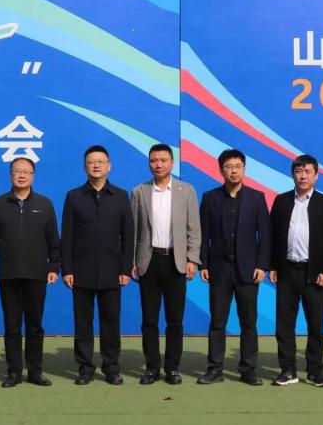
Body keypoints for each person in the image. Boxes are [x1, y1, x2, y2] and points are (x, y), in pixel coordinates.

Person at [0, 157, 60, 388]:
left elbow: (53, 240)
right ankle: (13, 372)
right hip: (9, 274)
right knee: (12, 326)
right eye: (17, 171)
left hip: (37, 274)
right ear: (10, 175)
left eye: (26, 172)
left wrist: (54, 267)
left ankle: (35, 372)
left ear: (33, 176)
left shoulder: (45, 205)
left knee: (35, 326)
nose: (22, 175)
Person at [61, 145, 134, 385]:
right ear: (85, 167)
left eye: (101, 161)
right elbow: (67, 235)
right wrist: (67, 269)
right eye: (91, 162)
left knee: (111, 322)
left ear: (109, 166)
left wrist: (125, 269)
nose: (96, 165)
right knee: (83, 323)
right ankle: (85, 368)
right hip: (81, 270)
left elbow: (128, 235)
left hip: (112, 270)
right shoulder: (74, 196)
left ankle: (111, 367)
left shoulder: (121, 196)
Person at [197, 149, 271, 385]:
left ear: (244, 169)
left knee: (248, 323)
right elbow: (203, 233)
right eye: (229, 167)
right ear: (221, 170)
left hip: (248, 270)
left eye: (238, 166)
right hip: (219, 269)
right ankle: (214, 369)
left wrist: (262, 265)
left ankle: (248, 370)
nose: (234, 171)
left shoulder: (257, 198)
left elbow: (265, 235)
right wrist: (203, 263)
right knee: (217, 322)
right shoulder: (210, 198)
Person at [269, 154, 323, 388]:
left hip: (315, 273)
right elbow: (273, 236)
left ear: (316, 176)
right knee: (284, 325)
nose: (303, 176)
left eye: (308, 171)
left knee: (316, 325)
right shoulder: (281, 201)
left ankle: (314, 371)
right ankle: (287, 370)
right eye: (299, 171)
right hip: (287, 271)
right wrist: (273, 265)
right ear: (293, 174)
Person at [130, 144, 201, 385]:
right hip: (148, 261)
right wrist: (132, 261)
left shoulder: (186, 190)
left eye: (163, 160)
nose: (158, 164)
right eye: (153, 160)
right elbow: (133, 230)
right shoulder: (139, 191)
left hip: (176, 261)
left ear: (172, 163)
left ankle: (172, 368)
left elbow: (194, 229)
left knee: (175, 320)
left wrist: (192, 259)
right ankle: (151, 368)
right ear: (149, 163)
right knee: (149, 320)